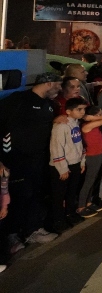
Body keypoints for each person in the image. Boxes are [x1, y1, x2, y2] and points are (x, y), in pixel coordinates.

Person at [0, 72, 63, 251]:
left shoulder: (49, 105)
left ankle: (32, 230)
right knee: (18, 196)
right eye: (58, 85)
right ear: (49, 83)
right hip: (17, 159)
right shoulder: (18, 100)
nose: (60, 89)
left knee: (35, 194)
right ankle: (11, 236)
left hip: (40, 158)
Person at [48, 97, 88, 233]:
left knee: (71, 192)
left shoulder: (76, 124)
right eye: (79, 109)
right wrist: (62, 168)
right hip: (62, 166)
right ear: (69, 111)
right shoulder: (61, 126)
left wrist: (81, 161)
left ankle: (70, 214)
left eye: (84, 109)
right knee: (59, 195)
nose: (82, 112)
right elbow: (56, 148)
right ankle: (58, 220)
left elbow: (79, 144)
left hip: (75, 163)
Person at [76, 106, 102, 219]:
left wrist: (93, 117)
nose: (100, 117)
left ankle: (88, 202)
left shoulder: (93, 123)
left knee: (93, 178)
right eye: (98, 114)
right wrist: (91, 118)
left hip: (99, 153)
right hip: (92, 155)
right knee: (89, 180)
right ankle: (81, 206)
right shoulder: (86, 126)